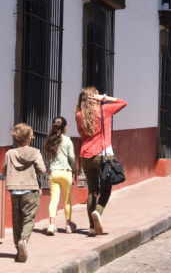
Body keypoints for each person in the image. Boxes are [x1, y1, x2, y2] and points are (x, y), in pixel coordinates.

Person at [76, 87, 127, 236]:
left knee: (92, 191)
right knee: (106, 189)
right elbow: (123, 102)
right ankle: (98, 212)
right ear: (95, 97)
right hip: (103, 155)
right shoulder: (105, 110)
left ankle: (92, 228)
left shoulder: (79, 115)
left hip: (86, 156)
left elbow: (81, 133)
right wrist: (105, 98)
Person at [3, 123, 46, 262]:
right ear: (29, 138)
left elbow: (4, 170)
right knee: (28, 219)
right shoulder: (35, 152)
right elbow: (42, 169)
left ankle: (18, 248)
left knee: (17, 221)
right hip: (30, 190)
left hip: (14, 190)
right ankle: (24, 240)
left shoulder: (10, 153)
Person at [44, 116, 76, 235]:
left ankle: (51, 225)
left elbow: (48, 157)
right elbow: (72, 157)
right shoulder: (67, 140)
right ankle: (68, 226)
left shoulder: (49, 140)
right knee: (67, 200)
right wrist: (74, 169)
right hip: (66, 172)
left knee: (54, 200)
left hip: (54, 173)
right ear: (65, 128)